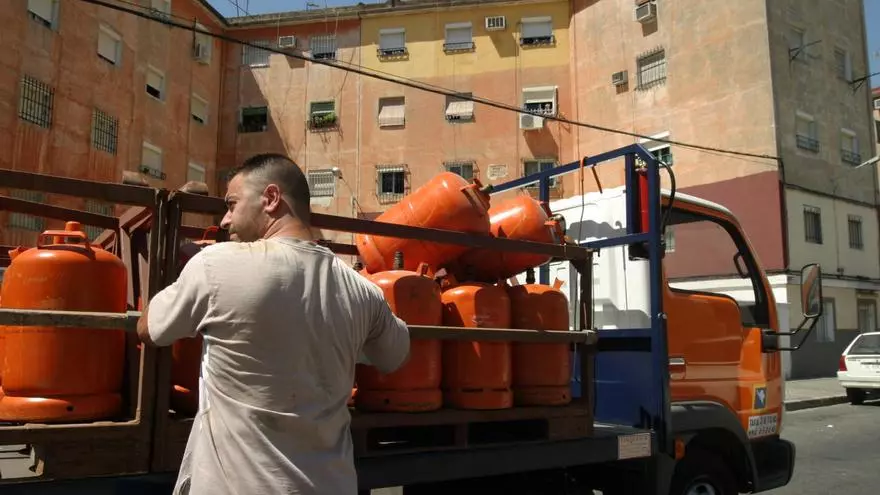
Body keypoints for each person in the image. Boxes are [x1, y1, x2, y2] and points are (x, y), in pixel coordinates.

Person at [136, 153, 411, 495]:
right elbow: (395, 355)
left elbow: (150, 329)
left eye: (232, 204)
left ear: (270, 198)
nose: (224, 220)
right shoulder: (362, 292)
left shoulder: (216, 267)